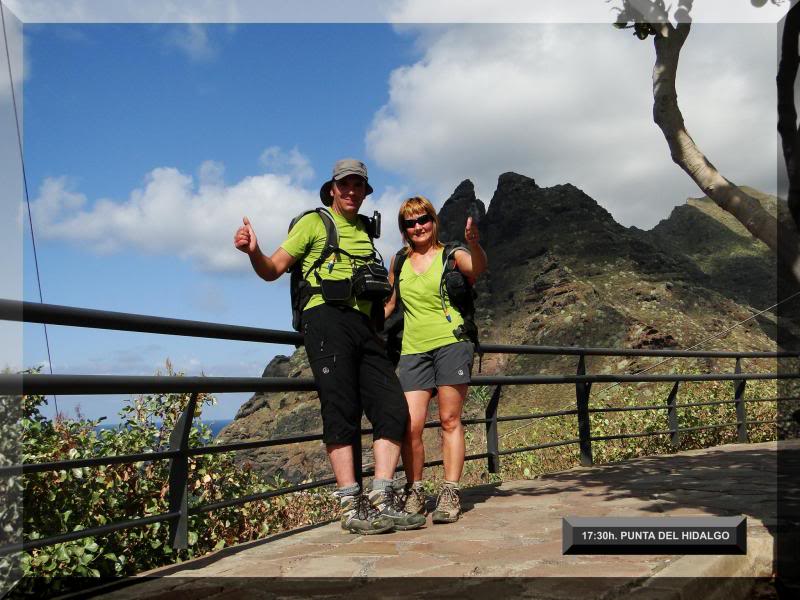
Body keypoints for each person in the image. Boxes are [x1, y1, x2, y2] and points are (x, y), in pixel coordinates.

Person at [234, 159, 425, 535]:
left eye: (359, 186)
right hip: (325, 321)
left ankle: (381, 498)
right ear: (333, 189)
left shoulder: (365, 234)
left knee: (392, 409)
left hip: (367, 327)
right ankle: (351, 504)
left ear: (365, 191)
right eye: (345, 185)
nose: (352, 191)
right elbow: (273, 269)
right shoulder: (314, 223)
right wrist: (254, 252)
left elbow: (380, 298)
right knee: (341, 409)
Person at [384, 195, 487, 524]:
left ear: (434, 220)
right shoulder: (399, 260)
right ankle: (415, 489)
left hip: (451, 343)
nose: (418, 227)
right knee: (409, 425)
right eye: (410, 223)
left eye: (423, 219)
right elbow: (389, 304)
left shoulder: (451, 253)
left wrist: (475, 245)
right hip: (413, 349)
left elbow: (477, 268)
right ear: (404, 229)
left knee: (449, 420)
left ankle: (450, 491)